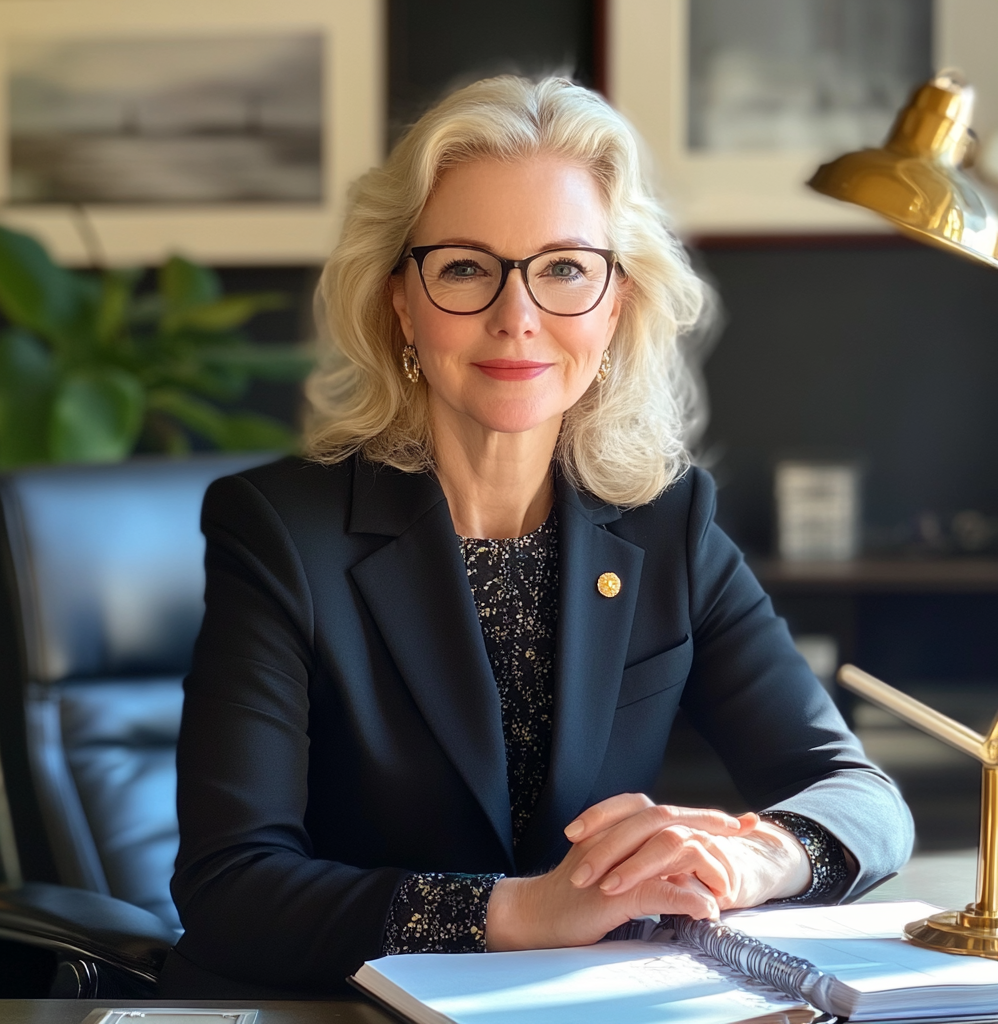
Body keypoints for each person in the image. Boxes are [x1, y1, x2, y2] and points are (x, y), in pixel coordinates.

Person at [160, 76, 913, 998]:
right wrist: (520, 913)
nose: (517, 315)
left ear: (615, 302)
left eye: (564, 268)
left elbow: (861, 797)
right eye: (467, 267)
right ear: (401, 298)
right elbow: (232, 891)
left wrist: (752, 859)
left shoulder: (668, 526)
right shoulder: (281, 532)